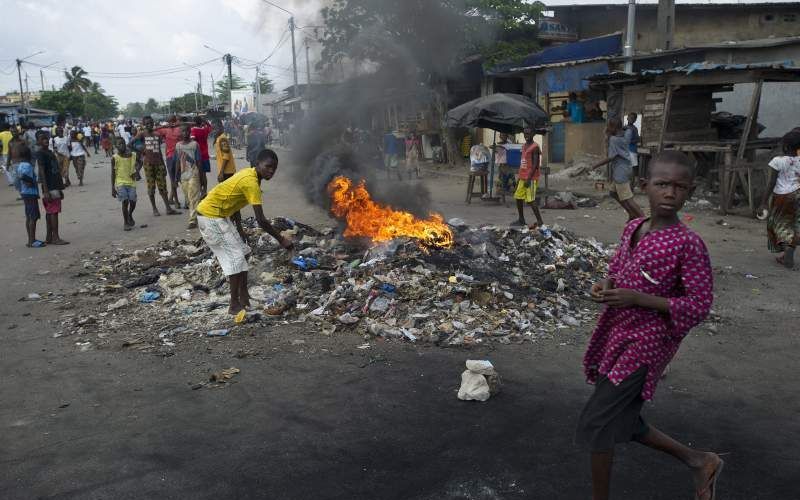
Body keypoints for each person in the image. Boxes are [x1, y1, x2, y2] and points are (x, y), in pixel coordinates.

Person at [577, 151, 722, 500]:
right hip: (617, 332)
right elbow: (618, 268)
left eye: (679, 186)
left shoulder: (688, 244)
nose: (670, 193)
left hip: (647, 344)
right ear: (645, 186)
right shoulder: (633, 227)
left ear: (690, 190)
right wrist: (606, 285)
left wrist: (639, 299)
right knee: (620, 418)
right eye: (661, 184)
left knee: (598, 422)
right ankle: (699, 461)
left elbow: (700, 305)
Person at [196, 149, 293, 314]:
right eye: (268, 166)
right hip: (210, 216)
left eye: (274, 168)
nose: (271, 171)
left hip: (220, 215)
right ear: (257, 164)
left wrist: (240, 230)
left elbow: (233, 199)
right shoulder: (251, 182)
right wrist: (281, 239)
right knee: (236, 259)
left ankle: (244, 294)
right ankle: (233, 304)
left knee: (244, 251)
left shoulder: (252, 175)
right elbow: (261, 220)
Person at [591, 118, 645, 221]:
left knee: (628, 199)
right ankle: (631, 214)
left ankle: (644, 220)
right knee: (613, 193)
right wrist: (622, 127)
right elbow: (629, 128)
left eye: (609, 126)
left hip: (621, 172)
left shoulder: (614, 140)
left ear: (613, 128)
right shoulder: (627, 134)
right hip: (627, 168)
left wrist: (595, 165)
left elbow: (611, 157)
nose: (607, 128)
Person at [761, 130, 800, 269]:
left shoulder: (778, 161)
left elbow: (771, 182)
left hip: (783, 197)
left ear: (785, 147)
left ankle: (787, 251)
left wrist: (764, 202)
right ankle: (788, 252)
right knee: (795, 225)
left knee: (782, 225)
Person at [137, 116, 178, 216]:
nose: (149, 125)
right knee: (151, 187)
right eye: (147, 124)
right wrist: (142, 150)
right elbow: (131, 144)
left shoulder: (157, 135)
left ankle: (168, 208)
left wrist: (163, 164)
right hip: (148, 164)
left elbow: (159, 150)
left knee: (163, 187)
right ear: (144, 125)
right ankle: (154, 208)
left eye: (151, 123)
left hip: (159, 163)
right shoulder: (142, 134)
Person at [35, 131, 68, 245]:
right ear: (38, 141)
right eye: (42, 139)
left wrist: (60, 187)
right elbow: (42, 171)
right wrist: (46, 189)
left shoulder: (49, 152)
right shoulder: (41, 153)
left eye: (46, 138)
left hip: (55, 185)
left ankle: (49, 236)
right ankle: (55, 237)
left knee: (50, 212)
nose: (45, 140)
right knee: (54, 212)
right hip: (49, 186)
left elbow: (56, 171)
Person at [510, 127, 544, 228]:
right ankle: (521, 219)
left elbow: (535, 165)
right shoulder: (524, 146)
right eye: (525, 134)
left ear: (533, 134)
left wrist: (529, 179)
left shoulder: (535, 147)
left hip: (531, 178)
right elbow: (523, 163)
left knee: (530, 200)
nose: (526, 136)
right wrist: (520, 178)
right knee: (518, 196)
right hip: (523, 176)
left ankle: (540, 221)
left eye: (528, 134)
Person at [16, 144, 45, 247]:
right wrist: (33, 181)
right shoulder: (27, 166)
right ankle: (32, 241)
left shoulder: (19, 165)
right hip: (30, 193)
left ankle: (30, 240)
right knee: (33, 216)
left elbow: (19, 179)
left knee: (29, 217)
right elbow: (25, 179)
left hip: (25, 193)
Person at [175, 125, 202, 229]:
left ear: (190, 132)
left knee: (193, 197)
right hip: (183, 175)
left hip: (194, 173)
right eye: (183, 131)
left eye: (187, 131)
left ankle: (192, 220)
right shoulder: (178, 146)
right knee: (188, 197)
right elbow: (177, 161)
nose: (185, 133)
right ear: (180, 133)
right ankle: (198, 213)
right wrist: (176, 177)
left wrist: (201, 176)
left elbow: (199, 161)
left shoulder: (195, 145)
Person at [111, 137, 139, 231]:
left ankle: (130, 214)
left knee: (133, 201)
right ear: (116, 146)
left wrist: (136, 171)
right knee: (125, 201)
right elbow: (113, 173)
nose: (122, 145)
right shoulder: (115, 158)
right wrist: (112, 187)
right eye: (119, 144)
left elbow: (139, 162)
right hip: (120, 182)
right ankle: (126, 222)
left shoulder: (132, 155)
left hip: (131, 182)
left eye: (123, 143)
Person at [155, 116, 183, 207]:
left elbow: (193, 124)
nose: (171, 123)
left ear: (175, 121)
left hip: (180, 156)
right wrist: (163, 126)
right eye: (169, 122)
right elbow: (153, 129)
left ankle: (173, 198)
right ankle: (176, 201)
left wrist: (179, 124)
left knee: (178, 178)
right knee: (172, 180)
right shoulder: (165, 130)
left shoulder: (179, 129)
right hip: (169, 156)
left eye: (172, 121)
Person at [190, 116, 212, 195]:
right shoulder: (205, 130)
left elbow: (192, 142)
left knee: (198, 174)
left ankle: (199, 191)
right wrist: (205, 121)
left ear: (194, 122)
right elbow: (210, 127)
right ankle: (204, 190)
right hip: (205, 155)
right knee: (204, 175)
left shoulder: (193, 130)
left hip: (197, 156)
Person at [0, 122, 14, 186]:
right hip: (13, 152)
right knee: (13, 166)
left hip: (5, 153)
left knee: (7, 167)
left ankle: (11, 181)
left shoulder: (1, 134)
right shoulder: (12, 133)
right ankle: (15, 179)